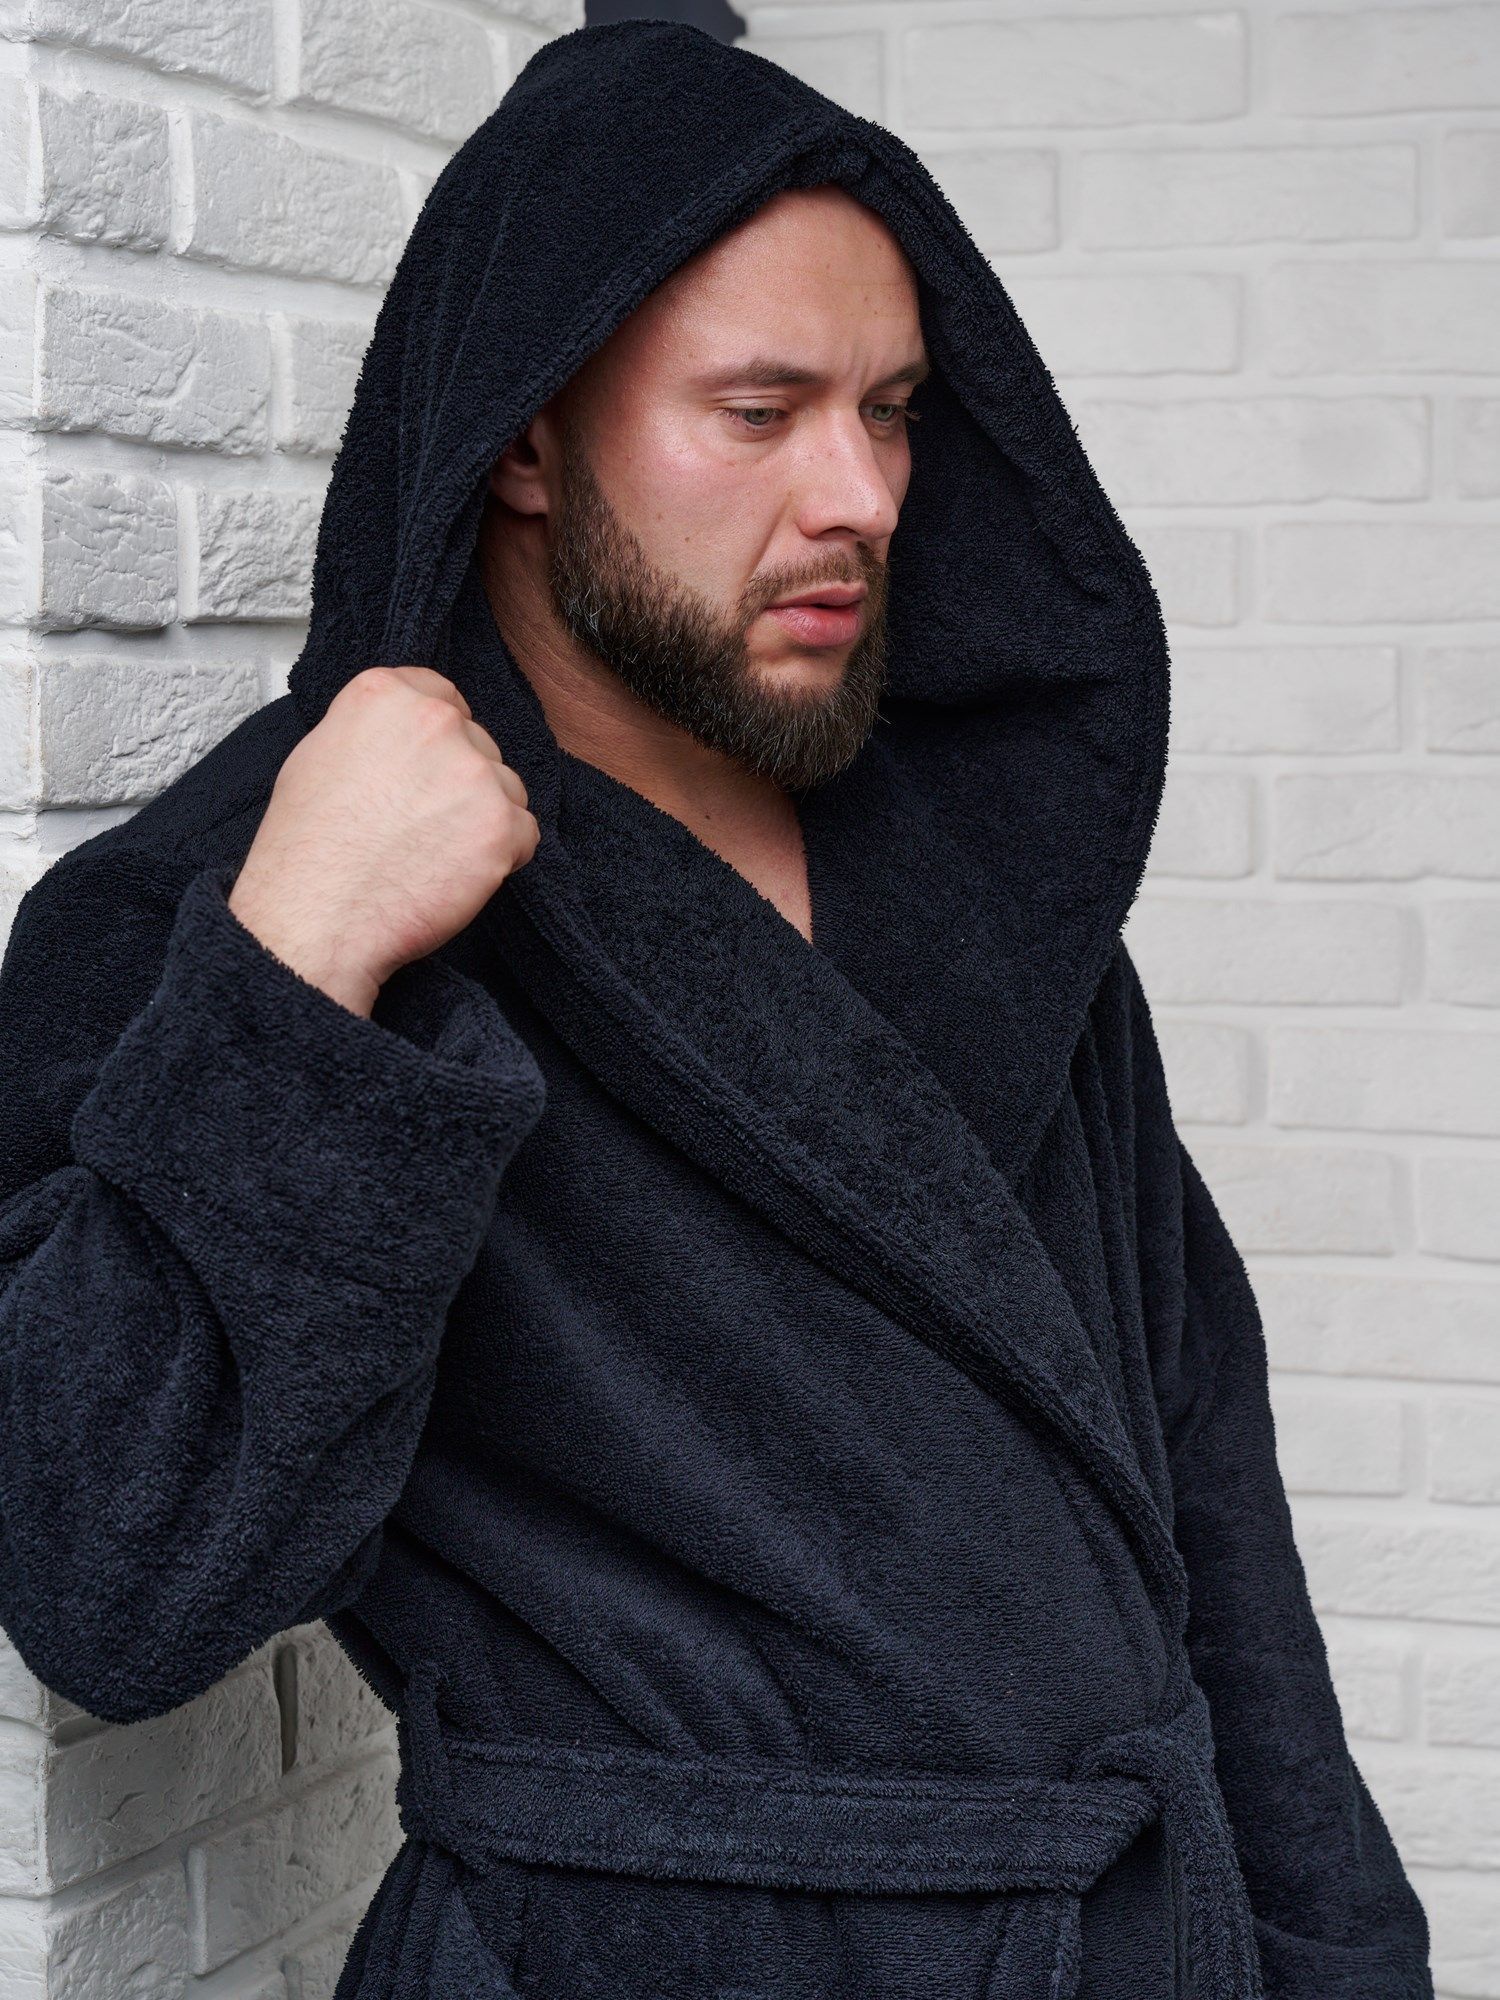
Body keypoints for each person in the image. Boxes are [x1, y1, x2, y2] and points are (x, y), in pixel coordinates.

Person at [0, 21, 1432, 2000]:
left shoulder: (984, 877)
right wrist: (299, 967)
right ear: (525, 437)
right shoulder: (264, 903)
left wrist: (1337, 1961)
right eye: (760, 411)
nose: (862, 493)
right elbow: (115, 1589)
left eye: (893, 411)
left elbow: (1212, 1509)